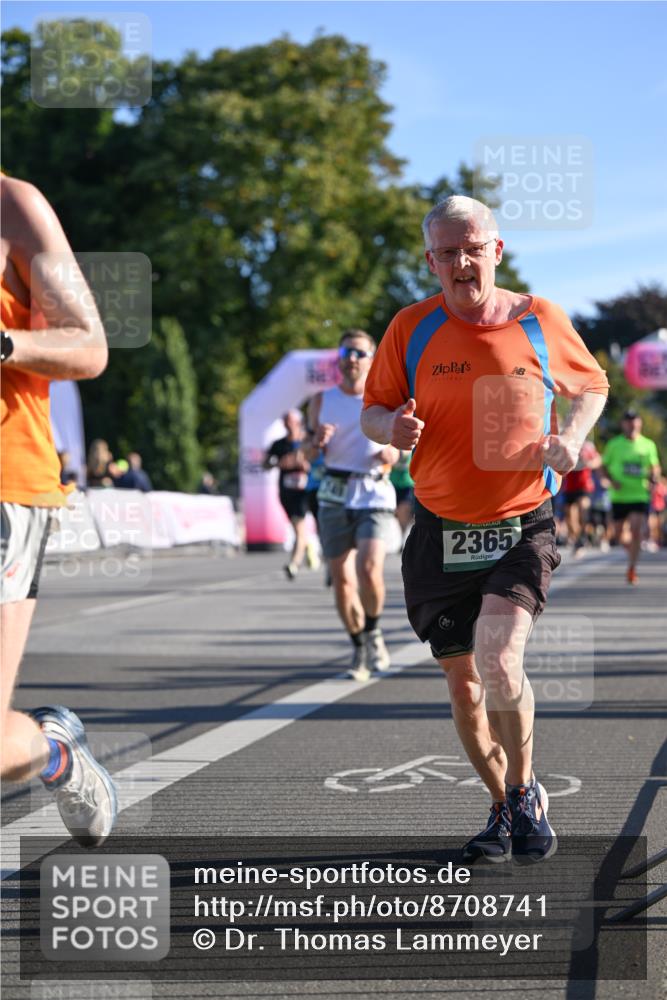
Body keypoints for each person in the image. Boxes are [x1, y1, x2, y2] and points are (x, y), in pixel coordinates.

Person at [361, 195, 609, 863]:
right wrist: (392, 428)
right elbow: (373, 412)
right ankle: (499, 803)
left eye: (473, 248)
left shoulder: (539, 319)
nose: (461, 262)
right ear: (430, 261)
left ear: (496, 251)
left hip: (519, 521)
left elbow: (590, 385)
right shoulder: (409, 328)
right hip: (439, 528)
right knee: (463, 687)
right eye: (447, 252)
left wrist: (571, 436)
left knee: (500, 661)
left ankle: (525, 790)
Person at [1, 173, 117, 846]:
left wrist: (4, 342)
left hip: (5, 486)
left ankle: (55, 752)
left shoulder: (14, 206)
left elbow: (88, 345)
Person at [307, 329, 398, 681]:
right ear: (339, 358)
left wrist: (391, 452)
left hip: (374, 491)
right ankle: (359, 646)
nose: (353, 359)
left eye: (361, 353)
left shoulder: (384, 400)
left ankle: (373, 629)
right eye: (347, 352)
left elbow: (400, 451)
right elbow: (307, 454)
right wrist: (317, 442)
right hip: (334, 490)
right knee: (342, 580)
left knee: (369, 568)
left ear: (372, 360)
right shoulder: (321, 400)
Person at [602, 410, 661, 583]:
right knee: (620, 535)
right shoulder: (614, 444)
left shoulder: (648, 444)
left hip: (639, 494)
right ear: (623, 425)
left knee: (636, 531)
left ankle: (632, 567)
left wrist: (654, 476)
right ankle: (633, 551)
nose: (632, 425)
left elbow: (655, 466)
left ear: (639, 424)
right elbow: (603, 466)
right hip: (619, 496)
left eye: (635, 422)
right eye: (628, 422)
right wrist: (611, 482)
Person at [264, 409, 312, 579]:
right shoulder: (278, 445)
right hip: (287, 493)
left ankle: (294, 564)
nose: (288, 424)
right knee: (298, 527)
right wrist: (278, 463)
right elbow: (266, 464)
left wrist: (305, 464)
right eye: (285, 421)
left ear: (299, 422)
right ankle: (308, 549)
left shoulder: (308, 441)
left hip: (307, 492)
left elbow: (320, 463)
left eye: (291, 421)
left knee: (300, 528)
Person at [561, 438, 601, 554]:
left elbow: (598, 460)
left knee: (583, 507)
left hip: (584, 485)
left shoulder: (588, 446)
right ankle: (578, 538)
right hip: (570, 486)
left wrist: (589, 463)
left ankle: (583, 536)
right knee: (569, 517)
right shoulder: (567, 443)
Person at [390, 450, 415, 546]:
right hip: (392, 483)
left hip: (407, 483)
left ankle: (403, 536)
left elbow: (403, 460)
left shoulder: (410, 441)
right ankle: (402, 534)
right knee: (397, 513)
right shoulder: (388, 441)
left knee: (403, 511)